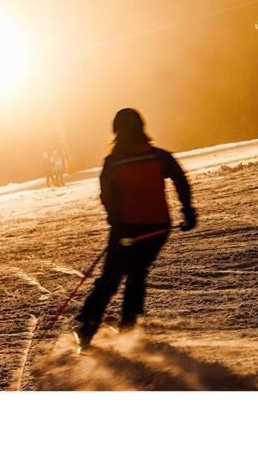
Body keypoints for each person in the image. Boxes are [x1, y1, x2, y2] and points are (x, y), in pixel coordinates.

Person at [74, 108, 196, 349]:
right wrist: (188, 210)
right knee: (137, 273)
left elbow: (106, 194)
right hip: (157, 228)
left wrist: (114, 218)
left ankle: (88, 325)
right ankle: (129, 324)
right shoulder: (158, 156)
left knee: (111, 276)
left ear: (116, 132)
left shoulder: (114, 161)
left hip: (127, 230)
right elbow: (180, 179)